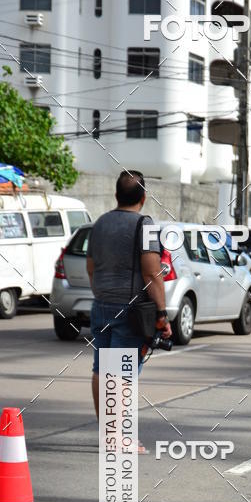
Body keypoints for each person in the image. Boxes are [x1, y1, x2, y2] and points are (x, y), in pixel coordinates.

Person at [86, 170, 171, 449]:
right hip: (130, 309)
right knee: (122, 373)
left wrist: (101, 292)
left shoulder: (100, 223)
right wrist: (161, 313)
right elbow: (151, 271)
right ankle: (118, 438)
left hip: (100, 305)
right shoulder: (144, 225)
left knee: (101, 370)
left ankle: (107, 435)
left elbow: (91, 265)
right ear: (144, 197)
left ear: (116, 195)